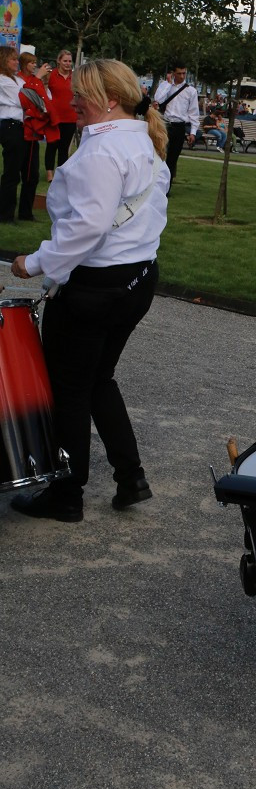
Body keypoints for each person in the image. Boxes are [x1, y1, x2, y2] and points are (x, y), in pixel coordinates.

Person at [10, 59, 171, 523]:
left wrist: (35, 262)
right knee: (99, 379)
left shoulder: (103, 151)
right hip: (137, 279)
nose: (72, 100)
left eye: (80, 93)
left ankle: (66, 495)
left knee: (70, 392)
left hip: (94, 289)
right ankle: (130, 476)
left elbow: (87, 228)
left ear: (110, 99)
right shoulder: (143, 140)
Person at [17, 52, 57, 221]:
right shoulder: (21, 80)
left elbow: (42, 103)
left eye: (35, 63)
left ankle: (25, 212)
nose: (34, 66)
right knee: (22, 174)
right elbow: (29, 98)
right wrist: (38, 79)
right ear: (25, 64)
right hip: (24, 131)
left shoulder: (32, 81)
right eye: (32, 63)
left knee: (31, 175)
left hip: (33, 132)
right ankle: (19, 212)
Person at [153, 62, 199, 186]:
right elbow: (158, 99)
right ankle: (155, 184)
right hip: (165, 124)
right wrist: (168, 84)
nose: (182, 76)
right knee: (159, 156)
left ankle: (167, 188)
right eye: (179, 73)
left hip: (179, 126)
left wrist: (192, 132)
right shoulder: (166, 86)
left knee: (173, 158)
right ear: (173, 73)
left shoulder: (191, 91)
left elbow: (194, 113)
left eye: (184, 73)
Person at [0, 46, 25, 222]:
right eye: (13, 59)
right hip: (10, 126)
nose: (17, 62)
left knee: (15, 171)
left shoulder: (16, 80)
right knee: (11, 172)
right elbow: (23, 99)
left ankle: (9, 211)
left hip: (19, 126)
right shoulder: (3, 80)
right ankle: (5, 214)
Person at [45, 50, 77, 181]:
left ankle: (61, 173)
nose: (68, 63)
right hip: (54, 117)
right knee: (52, 145)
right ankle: (49, 173)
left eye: (70, 61)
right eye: (65, 61)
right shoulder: (50, 75)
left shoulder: (75, 77)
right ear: (58, 61)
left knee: (64, 148)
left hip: (70, 117)